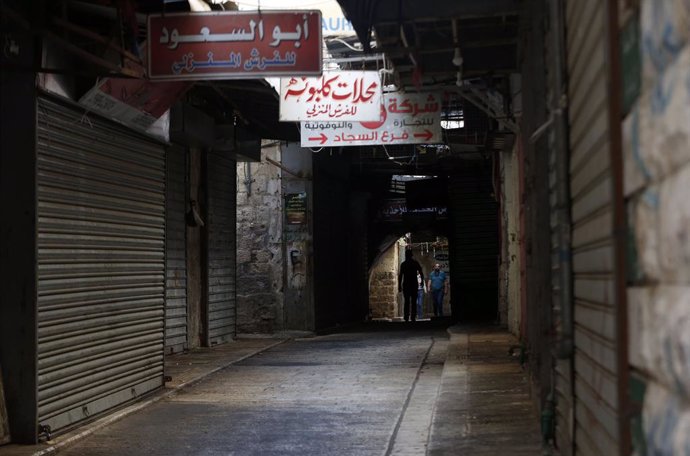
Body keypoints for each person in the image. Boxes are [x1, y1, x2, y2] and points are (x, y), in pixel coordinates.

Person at [398, 249, 424, 322]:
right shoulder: (415, 263)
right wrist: (422, 281)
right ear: (411, 255)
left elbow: (400, 276)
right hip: (413, 284)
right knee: (413, 301)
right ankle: (413, 316)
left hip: (406, 284)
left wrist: (399, 286)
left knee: (407, 301)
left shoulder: (403, 264)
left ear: (406, 255)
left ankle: (406, 317)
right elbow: (421, 272)